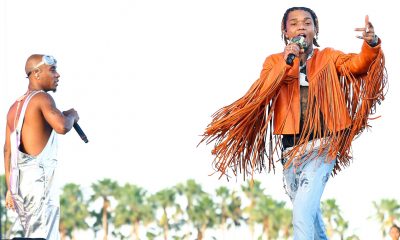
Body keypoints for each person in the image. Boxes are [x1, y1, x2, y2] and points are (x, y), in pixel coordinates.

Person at [200, 7, 386, 239]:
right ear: (285, 31)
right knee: (309, 212)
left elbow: (358, 66)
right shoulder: (274, 62)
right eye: (295, 24)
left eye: (307, 23)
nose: (301, 27)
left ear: (315, 29)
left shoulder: (328, 56)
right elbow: (266, 87)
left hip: (324, 147)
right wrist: (289, 61)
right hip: (291, 151)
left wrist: (371, 44)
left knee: (300, 213)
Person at [3, 54, 79, 239]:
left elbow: (7, 151)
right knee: (43, 236)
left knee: (33, 235)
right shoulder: (42, 99)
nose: (58, 75)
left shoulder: (14, 107)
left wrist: (10, 189)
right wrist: (72, 116)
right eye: (52, 70)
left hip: (20, 187)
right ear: (36, 73)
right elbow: (62, 126)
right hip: (39, 185)